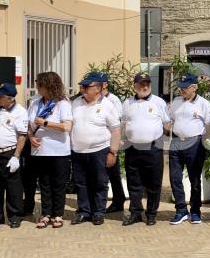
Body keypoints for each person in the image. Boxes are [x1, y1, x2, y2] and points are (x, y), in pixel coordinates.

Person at [71, 72, 121, 225]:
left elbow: (116, 130)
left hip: (100, 150)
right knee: (81, 183)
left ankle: (98, 212)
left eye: (87, 86)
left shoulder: (107, 105)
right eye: (82, 86)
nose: (83, 88)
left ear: (98, 89)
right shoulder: (76, 103)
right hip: (78, 151)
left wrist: (113, 152)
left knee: (100, 182)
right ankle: (84, 211)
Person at [121, 72, 170, 225]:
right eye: (141, 84)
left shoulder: (159, 102)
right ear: (135, 86)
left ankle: (151, 214)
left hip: (153, 148)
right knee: (133, 183)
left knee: (153, 183)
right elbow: (122, 123)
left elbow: (167, 123)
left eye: (147, 83)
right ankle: (135, 213)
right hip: (132, 148)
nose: (145, 86)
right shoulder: (127, 103)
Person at [27, 72, 73, 229]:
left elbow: (66, 127)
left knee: (58, 184)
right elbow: (28, 125)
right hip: (40, 150)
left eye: (40, 85)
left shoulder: (62, 104)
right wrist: (30, 137)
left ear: (49, 86)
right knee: (44, 184)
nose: (37, 87)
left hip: (58, 151)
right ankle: (46, 213)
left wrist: (46, 123)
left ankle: (58, 214)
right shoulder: (35, 103)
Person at [167, 73, 210, 225]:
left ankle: (195, 211)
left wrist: (201, 139)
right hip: (176, 143)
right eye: (180, 88)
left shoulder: (203, 103)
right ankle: (181, 210)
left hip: (195, 144)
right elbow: (170, 120)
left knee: (194, 179)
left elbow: (209, 125)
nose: (182, 91)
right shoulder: (176, 102)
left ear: (195, 87)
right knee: (174, 178)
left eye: (185, 88)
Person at [0, 82, 28, 228]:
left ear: (9, 98)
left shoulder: (20, 112)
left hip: (9, 152)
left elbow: (22, 136)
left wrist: (16, 156)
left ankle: (14, 215)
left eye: (0, 95)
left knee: (13, 186)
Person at [100, 73, 127, 214]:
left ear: (105, 84)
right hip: (101, 141)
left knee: (113, 173)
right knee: (109, 172)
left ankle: (118, 199)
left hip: (111, 141)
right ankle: (118, 198)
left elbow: (118, 122)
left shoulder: (112, 100)